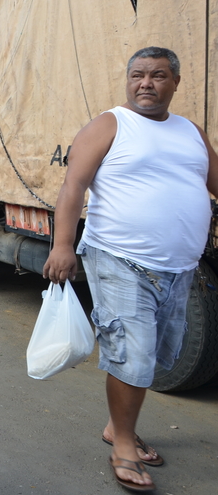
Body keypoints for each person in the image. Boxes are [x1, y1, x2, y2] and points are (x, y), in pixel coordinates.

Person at [42, 47, 218, 493]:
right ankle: (123, 444)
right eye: (138, 74)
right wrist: (63, 246)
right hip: (119, 259)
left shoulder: (190, 132)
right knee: (132, 353)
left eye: (158, 75)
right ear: (127, 80)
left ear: (175, 82)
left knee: (159, 355)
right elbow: (72, 186)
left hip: (180, 268)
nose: (146, 83)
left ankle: (115, 425)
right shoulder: (110, 125)